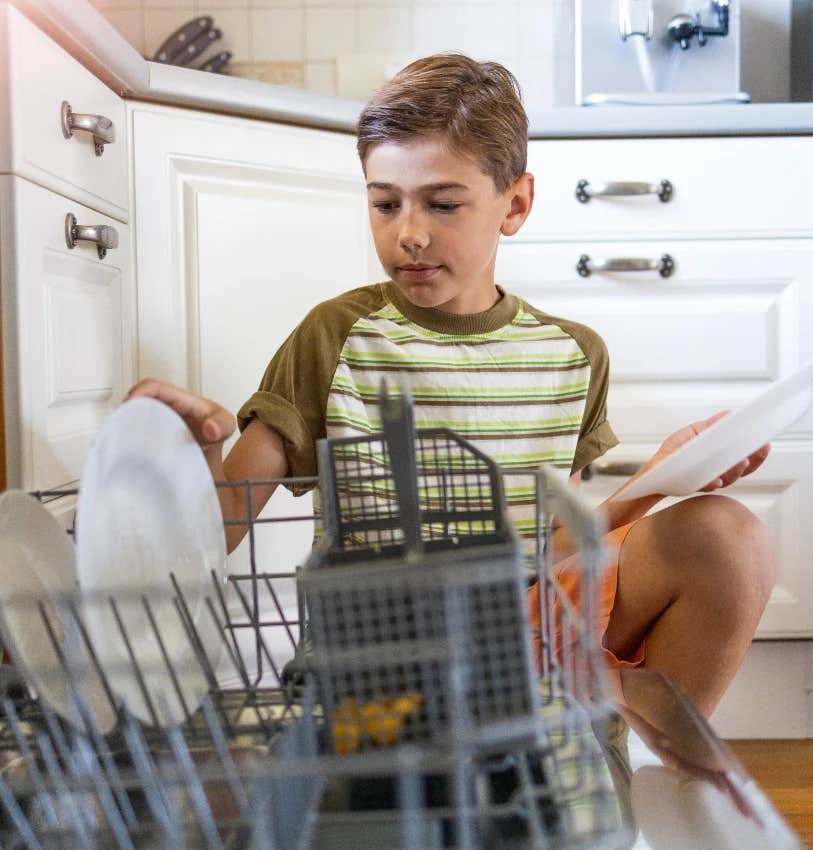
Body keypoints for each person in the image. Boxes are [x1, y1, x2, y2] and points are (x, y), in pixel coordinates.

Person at [128, 53, 774, 722]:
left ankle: (633, 763)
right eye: (385, 203)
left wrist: (662, 476)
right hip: (380, 655)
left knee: (726, 537)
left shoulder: (573, 356)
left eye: (442, 204)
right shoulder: (335, 336)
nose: (408, 233)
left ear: (515, 203)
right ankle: (558, 735)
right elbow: (220, 531)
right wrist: (197, 456)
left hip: (518, 631)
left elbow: (549, 547)